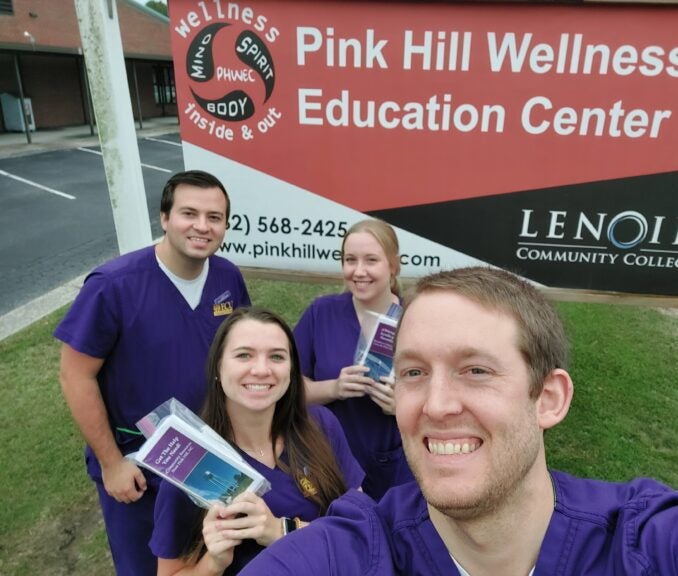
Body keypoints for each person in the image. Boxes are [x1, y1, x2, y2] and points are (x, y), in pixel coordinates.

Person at [239, 266, 678, 575]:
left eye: (475, 370)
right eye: (415, 372)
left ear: (549, 399)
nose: (437, 405)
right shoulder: (354, 551)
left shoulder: (648, 547)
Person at [55, 170, 251, 576]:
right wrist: (112, 464)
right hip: (142, 471)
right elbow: (75, 375)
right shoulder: (113, 285)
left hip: (212, 463)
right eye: (189, 213)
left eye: (214, 217)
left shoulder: (227, 277)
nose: (202, 226)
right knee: (146, 567)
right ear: (164, 218)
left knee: (216, 562)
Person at [150, 307, 364, 576]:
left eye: (276, 356)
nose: (261, 370)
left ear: (291, 371)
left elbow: (364, 527)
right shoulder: (190, 463)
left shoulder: (320, 425)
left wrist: (281, 531)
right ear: (217, 367)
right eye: (244, 355)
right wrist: (213, 564)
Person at [293, 218, 414, 500]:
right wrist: (333, 388)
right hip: (328, 457)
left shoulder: (416, 317)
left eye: (371, 260)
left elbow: (443, 394)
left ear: (393, 265)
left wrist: (403, 405)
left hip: (396, 462)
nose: (359, 271)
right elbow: (285, 388)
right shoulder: (321, 313)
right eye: (350, 260)